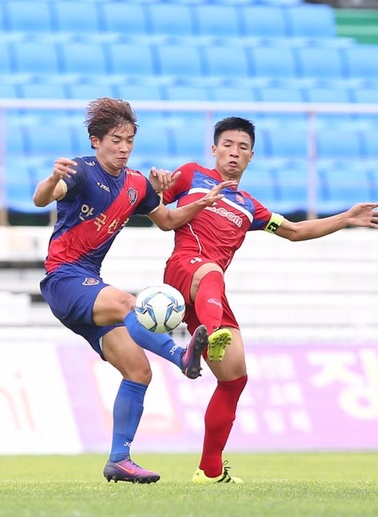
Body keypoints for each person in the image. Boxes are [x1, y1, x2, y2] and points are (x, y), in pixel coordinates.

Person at [161, 116, 378, 484]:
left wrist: (345, 218)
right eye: (227, 145)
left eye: (242, 148)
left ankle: (209, 471)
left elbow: (296, 231)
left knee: (234, 378)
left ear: (251, 156)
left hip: (211, 296)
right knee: (212, 272)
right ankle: (211, 332)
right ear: (214, 150)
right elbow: (156, 204)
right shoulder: (190, 175)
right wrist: (159, 185)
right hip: (185, 269)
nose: (234, 153)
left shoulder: (251, 207)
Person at [32, 98, 234, 484]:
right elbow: (43, 197)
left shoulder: (137, 182)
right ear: (95, 141)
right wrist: (50, 178)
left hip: (88, 283)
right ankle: (181, 356)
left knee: (139, 372)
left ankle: (119, 460)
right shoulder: (80, 172)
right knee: (129, 302)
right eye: (115, 140)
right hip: (65, 278)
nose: (123, 148)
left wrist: (202, 203)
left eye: (129, 140)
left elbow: (168, 220)